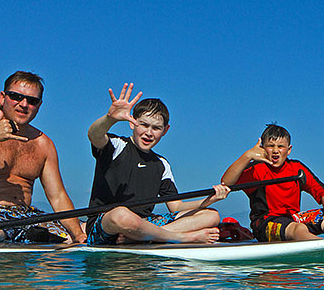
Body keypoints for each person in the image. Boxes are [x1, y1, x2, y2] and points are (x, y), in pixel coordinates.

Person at [0, 71, 87, 252]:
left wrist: (78, 235)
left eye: (32, 101)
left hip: (23, 218)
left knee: (89, 228)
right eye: (16, 97)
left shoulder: (43, 144)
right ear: (3, 98)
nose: (23, 104)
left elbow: (58, 196)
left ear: (39, 106)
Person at [86, 83, 227, 245]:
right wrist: (109, 119)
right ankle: (181, 237)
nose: (149, 133)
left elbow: (176, 207)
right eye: (144, 125)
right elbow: (94, 135)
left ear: (165, 130)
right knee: (121, 215)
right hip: (107, 225)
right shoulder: (117, 145)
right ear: (132, 123)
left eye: (156, 128)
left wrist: (210, 200)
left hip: (145, 223)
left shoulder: (161, 164)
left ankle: (138, 237)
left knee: (211, 215)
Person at [222, 123, 324, 242]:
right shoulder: (256, 170)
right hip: (266, 225)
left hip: (294, 218)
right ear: (262, 148)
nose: (275, 151)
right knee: (299, 229)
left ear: (289, 150)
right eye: (271, 146)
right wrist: (247, 156)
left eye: (280, 146)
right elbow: (226, 182)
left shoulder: (297, 168)